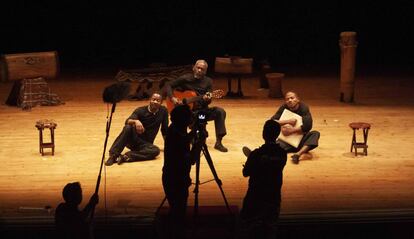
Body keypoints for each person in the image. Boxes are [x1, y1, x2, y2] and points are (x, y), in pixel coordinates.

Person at [165, 59, 228, 152]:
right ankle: (190, 136)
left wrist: (207, 99)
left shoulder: (208, 81)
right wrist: (172, 98)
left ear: (205, 71)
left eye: (202, 69)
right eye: (198, 68)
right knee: (197, 139)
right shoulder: (185, 78)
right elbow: (169, 85)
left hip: (202, 110)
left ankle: (219, 142)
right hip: (189, 112)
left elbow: (208, 100)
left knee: (220, 111)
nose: (199, 70)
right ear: (193, 68)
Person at [240, 120, 287, 239]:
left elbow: (246, 173)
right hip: (273, 195)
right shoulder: (282, 153)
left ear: (263, 134)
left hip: (255, 195)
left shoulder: (256, 154)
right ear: (277, 134)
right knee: (270, 227)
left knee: (248, 225)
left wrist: (251, 162)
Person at [105, 92, 168, 166]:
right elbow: (127, 121)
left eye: (158, 100)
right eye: (153, 99)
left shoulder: (163, 111)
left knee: (155, 151)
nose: (155, 102)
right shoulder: (140, 110)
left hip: (146, 144)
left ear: (161, 103)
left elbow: (165, 130)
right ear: (150, 100)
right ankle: (113, 155)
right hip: (133, 140)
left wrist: (168, 146)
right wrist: (136, 121)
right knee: (128, 127)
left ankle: (126, 156)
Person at [162, 105, 194, 239]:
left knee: (177, 210)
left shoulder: (175, 129)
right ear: (184, 120)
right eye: (189, 117)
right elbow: (191, 159)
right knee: (178, 211)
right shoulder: (177, 135)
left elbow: (184, 140)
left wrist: (193, 134)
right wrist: (198, 143)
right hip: (176, 179)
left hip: (174, 177)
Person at [270, 91, 320, 164]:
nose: (290, 100)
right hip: (288, 140)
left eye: (292, 98)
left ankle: (297, 155)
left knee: (315, 134)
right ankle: (257, 154)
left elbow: (308, 126)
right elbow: (272, 122)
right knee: (273, 148)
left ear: (297, 100)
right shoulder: (284, 107)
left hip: (301, 140)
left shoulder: (304, 108)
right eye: (287, 99)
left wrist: (292, 130)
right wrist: (288, 121)